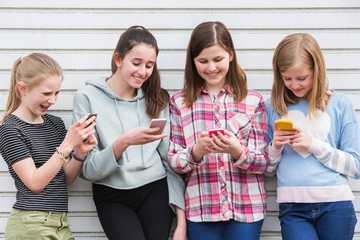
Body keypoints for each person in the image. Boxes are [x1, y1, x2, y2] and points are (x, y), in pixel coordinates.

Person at [72, 26, 186, 240]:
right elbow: (87, 170)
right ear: (118, 59)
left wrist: (181, 219)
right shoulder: (87, 97)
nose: (143, 71)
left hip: (156, 190)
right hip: (112, 195)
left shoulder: (158, 98)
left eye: (149, 65)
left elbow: (168, 161)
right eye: (136, 63)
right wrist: (122, 143)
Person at [168, 21, 268, 240]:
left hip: (247, 209)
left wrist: (236, 150)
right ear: (192, 61)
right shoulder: (179, 103)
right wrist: (196, 152)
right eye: (203, 61)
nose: (211, 67)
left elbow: (264, 162)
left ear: (230, 55)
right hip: (201, 210)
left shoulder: (253, 101)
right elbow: (173, 161)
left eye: (218, 59)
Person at [265, 33, 359, 240]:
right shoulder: (272, 107)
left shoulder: (340, 104)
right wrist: (275, 146)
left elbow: (356, 167)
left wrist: (314, 145)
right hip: (293, 208)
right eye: (287, 78)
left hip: (336, 206)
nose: (294, 85)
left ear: (317, 71)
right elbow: (267, 170)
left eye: (302, 78)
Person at [0, 53, 97, 240]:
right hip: (32, 223)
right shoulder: (10, 130)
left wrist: (79, 153)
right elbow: (35, 183)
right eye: (46, 93)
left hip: (60, 223)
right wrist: (68, 144)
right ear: (22, 89)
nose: (52, 100)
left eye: (56, 93)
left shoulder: (55, 124)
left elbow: (64, 178)